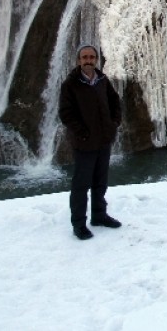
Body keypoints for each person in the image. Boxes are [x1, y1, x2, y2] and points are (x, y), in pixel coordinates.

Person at [58, 44, 123, 240]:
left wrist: (114, 123)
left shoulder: (102, 79)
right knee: (81, 185)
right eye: (85, 57)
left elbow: (114, 101)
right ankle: (79, 224)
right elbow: (66, 113)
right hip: (84, 143)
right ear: (78, 60)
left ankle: (99, 215)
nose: (88, 60)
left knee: (100, 182)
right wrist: (82, 133)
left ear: (96, 60)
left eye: (92, 57)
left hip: (104, 140)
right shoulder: (70, 84)